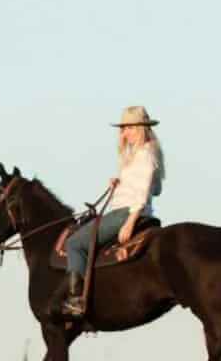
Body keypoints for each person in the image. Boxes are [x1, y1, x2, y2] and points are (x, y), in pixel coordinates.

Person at [62, 106, 165, 315]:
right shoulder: (143, 154)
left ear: (138, 128)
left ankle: (75, 301)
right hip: (131, 210)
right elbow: (156, 189)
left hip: (126, 213)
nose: (123, 133)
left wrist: (130, 220)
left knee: (74, 243)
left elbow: (144, 191)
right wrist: (121, 183)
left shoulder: (144, 154)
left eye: (126, 128)